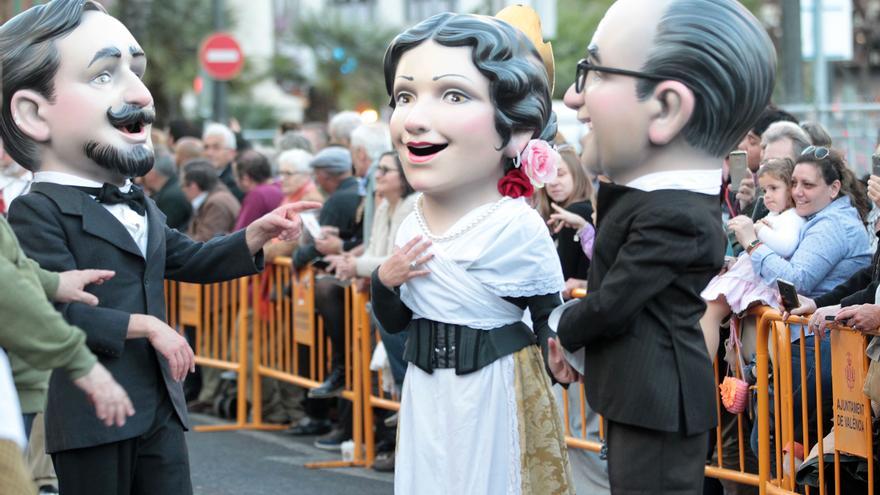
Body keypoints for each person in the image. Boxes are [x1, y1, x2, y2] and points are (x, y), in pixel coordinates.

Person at [0, 3, 316, 493]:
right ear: (32, 113)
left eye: (136, 70)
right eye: (105, 75)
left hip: (159, 405)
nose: (142, 94)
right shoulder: (34, 209)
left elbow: (185, 257)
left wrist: (256, 234)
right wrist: (145, 326)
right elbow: (50, 314)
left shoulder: (139, 200)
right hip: (91, 410)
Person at [552, 0, 777, 493]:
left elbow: (613, 303)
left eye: (591, 71)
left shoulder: (673, 213)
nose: (573, 97)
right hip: (645, 398)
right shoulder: (661, 202)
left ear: (668, 107)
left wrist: (556, 324)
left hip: (658, 401)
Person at [371, 8, 574, 493]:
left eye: (454, 94)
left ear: (517, 127)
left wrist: (560, 353)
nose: (416, 119)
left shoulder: (516, 224)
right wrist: (385, 280)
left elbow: (547, 310)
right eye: (405, 95)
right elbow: (397, 321)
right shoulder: (412, 217)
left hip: (495, 388)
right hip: (427, 390)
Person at [727, 147, 871, 457]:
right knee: (777, 448)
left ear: (833, 188)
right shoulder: (813, 218)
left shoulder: (832, 224)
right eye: (793, 183)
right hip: (809, 343)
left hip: (820, 347)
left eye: (808, 185)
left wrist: (752, 244)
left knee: (778, 447)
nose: (797, 192)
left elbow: (796, 280)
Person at [536, 145, 594, 300]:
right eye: (548, 176)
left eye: (560, 174)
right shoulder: (585, 210)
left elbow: (563, 274)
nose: (552, 182)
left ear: (577, 175)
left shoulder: (575, 213)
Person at [141, 147, 192, 230]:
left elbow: (161, 229)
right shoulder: (171, 187)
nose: (141, 176)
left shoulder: (171, 197)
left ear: (152, 174)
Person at [203, 122, 244, 201]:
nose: (209, 153)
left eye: (216, 147)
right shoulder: (199, 177)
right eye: (206, 147)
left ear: (232, 153)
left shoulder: (238, 183)